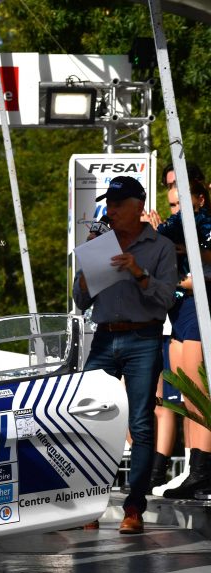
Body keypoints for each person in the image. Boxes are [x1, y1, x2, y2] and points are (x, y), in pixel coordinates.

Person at [73, 176, 177, 534]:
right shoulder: (100, 243)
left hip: (144, 338)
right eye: (109, 204)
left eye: (118, 204)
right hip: (103, 338)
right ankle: (89, 505)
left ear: (138, 206)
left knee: (142, 424)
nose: (111, 210)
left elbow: (165, 300)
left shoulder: (160, 246)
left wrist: (137, 272)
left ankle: (134, 508)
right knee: (87, 419)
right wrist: (88, 266)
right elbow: (80, 300)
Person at [149, 180, 211, 499]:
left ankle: (201, 472)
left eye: (181, 203)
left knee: (199, 394)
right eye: (172, 205)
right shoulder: (174, 227)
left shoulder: (206, 223)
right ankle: (195, 469)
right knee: (186, 395)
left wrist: (181, 251)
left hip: (198, 308)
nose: (176, 210)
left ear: (200, 199)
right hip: (179, 311)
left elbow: (203, 268)